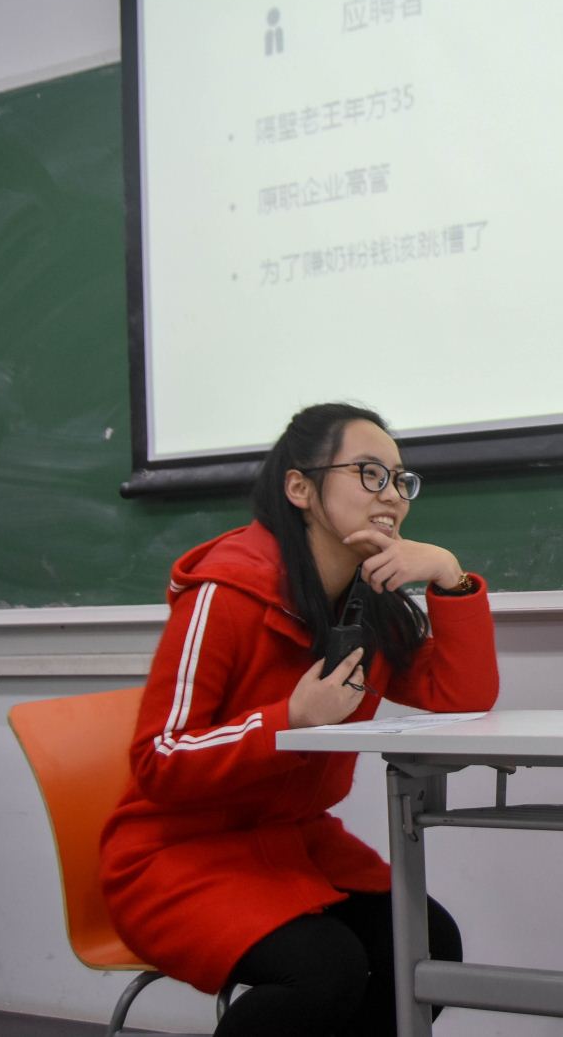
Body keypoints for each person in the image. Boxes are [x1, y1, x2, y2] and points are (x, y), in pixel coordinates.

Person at [100, 402, 500, 1036]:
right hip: (176, 856)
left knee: (429, 944)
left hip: (294, 844)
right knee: (324, 972)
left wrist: (449, 579)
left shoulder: (369, 601)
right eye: (369, 473)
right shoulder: (223, 593)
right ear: (299, 488)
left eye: (400, 479)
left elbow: (463, 694)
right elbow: (159, 757)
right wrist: (288, 719)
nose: (391, 495)